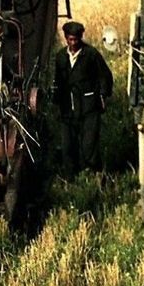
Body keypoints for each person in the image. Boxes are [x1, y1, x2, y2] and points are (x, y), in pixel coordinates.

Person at [52, 20, 114, 174]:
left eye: (76, 40)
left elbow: (105, 76)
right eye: (70, 39)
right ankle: (70, 177)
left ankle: (93, 174)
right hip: (67, 107)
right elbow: (58, 80)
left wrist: (102, 95)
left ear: (80, 38)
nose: (73, 43)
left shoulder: (91, 54)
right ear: (66, 38)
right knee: (67, 144)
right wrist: (56, 98)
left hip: (89, 106)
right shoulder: (60, 57)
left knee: (89, 144)